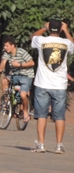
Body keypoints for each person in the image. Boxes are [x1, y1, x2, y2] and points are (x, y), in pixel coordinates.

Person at [30, 19, 74, 154]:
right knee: (59, 116)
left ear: (50, 28)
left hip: (42, 84)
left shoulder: (41, 41)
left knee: (41, 115)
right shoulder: (66, 43)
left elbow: (33, 37)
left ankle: (41, 144)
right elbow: (73, 45)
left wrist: (44, 27)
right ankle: (59, 145)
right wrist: (66, 30)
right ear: (60, 29)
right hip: (59, 85)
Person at [0, 36, 35, 123]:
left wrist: (19, 65)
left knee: (23, 95)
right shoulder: (7, 53)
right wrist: (0, 68)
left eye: (7, 46)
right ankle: (6, 101)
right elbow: (3, 62)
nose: (5, 48)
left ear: (12, 45)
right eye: (4, 46)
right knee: (5, 80)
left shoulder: (21, 52)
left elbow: (32, 62)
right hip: (15, 75)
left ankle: (25, 112)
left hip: (26, 76)